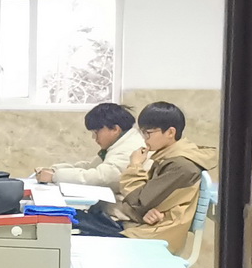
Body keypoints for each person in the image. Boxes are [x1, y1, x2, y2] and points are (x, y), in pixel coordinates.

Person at [78, 101, 217, 254]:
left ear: (170, 132)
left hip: (152, 234)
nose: (144, 139)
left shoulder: (181, 166)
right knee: (77, 217)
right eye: (142, 132)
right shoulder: (170, 157)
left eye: (148, 133)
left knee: (75, 224)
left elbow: (138, 202)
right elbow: (145, 203)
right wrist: (147, 211)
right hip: (145, 226)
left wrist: (135, 165)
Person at [36, 102, 142, 189]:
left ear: (115, 129)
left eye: (96, 132)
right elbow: (91, 167)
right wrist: (55, 170)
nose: (94, 137)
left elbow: (101, 178)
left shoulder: (130, 148)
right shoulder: (121, 142)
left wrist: (55, 176)